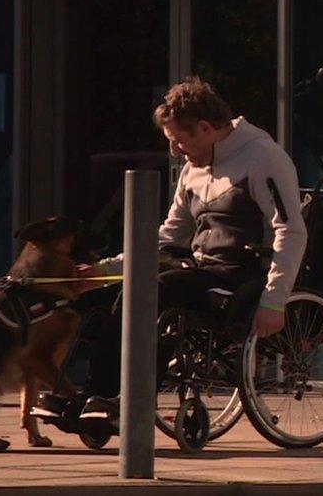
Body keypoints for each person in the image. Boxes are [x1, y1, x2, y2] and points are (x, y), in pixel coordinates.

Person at [61, 77, 308, 423]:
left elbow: (291, 230)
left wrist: (274, 300)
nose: (174, 152)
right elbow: (167, 236)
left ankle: (129, 402)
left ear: (205, 128)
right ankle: (96, 393)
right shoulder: (194, 167)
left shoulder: (262, 157)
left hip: (243, 272)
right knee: (138, 282)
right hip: (202, 267)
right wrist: (105, 272)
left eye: (178, 141)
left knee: (160, 289)